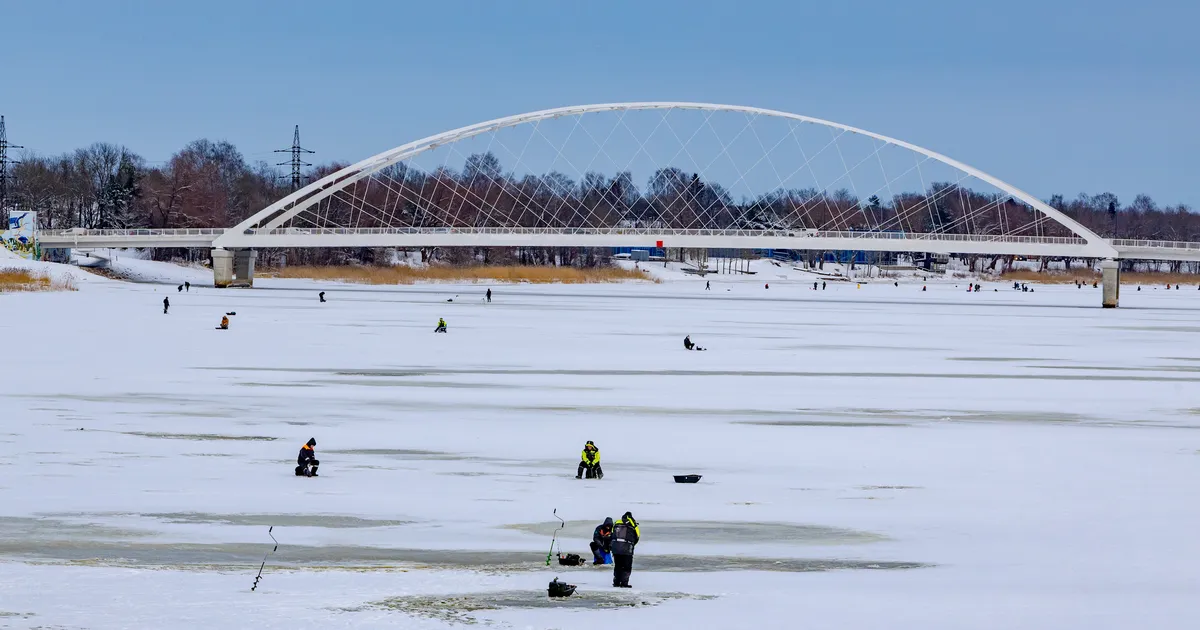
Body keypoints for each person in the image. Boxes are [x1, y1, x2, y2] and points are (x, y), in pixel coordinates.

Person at [611, 512, 640, 587]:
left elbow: (612, 533)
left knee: (618, 565)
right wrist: (631, 544)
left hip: (615, 548)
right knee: (627, 566)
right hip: (627, 548)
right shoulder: (633, 524)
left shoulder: (617, 522)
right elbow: (637, 536)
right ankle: (624, 583)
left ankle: (616, 582)